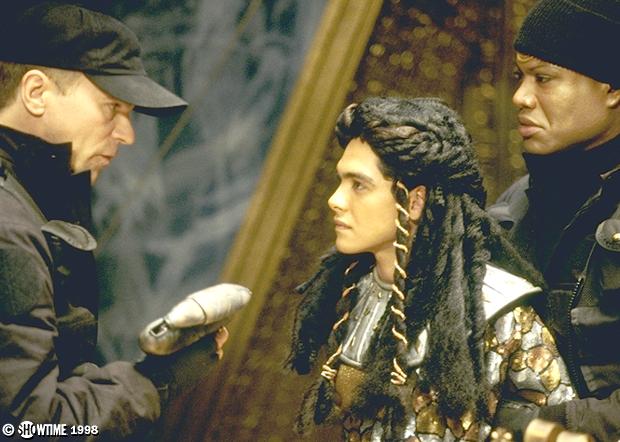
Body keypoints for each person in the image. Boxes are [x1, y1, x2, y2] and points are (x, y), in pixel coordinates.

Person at [0, 3, 245, 439]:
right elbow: (28, 427)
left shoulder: (25, 206)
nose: (127, 134)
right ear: (36, 92)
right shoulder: (10, 228)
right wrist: (155, 381)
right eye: (111, 107)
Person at [288, 96, 575, 441]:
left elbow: (558, 423)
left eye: (359, 185)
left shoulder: (495, 312)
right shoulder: (354, 291)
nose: (335, 200)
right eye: (341, 181)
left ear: (414, 201)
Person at [488, 0, 620, 440]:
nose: (520, 97)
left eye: (543, 78)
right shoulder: (513, 205)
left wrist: (526, 427)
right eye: (520, 77)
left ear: (612, 88)